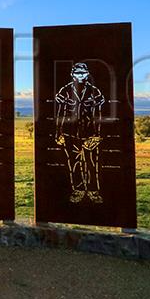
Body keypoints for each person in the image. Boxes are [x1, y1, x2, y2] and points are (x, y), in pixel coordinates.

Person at [54, 62, 105, 204]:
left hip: (89, 133)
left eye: (82, 72)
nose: (80, 75)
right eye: (77, 73)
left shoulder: (95, 91)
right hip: (70, 132)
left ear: (87, 74)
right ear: (72, 74)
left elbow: (98, 114)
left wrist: (97, 134)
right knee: (74, 162)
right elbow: (60, 113)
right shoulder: (65, 91)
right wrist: (58, 133)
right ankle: (78, 189)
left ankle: (93, 190)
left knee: (91, 162)